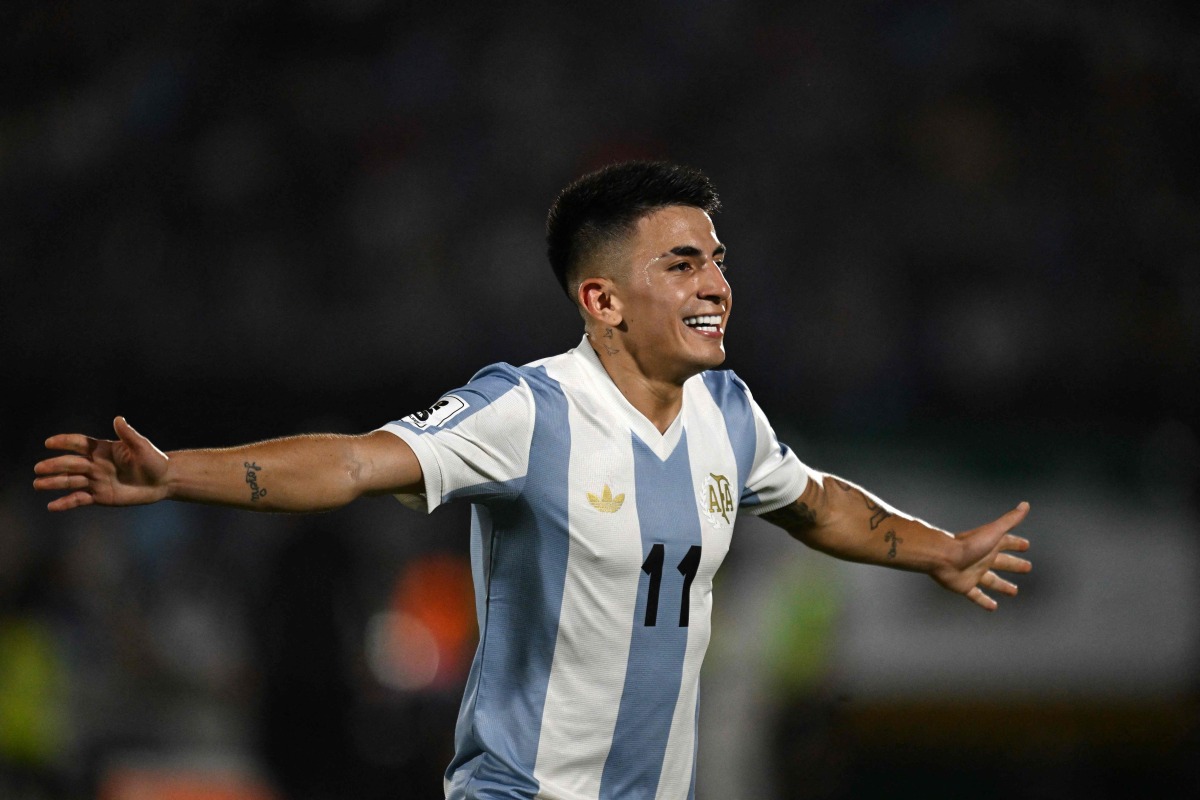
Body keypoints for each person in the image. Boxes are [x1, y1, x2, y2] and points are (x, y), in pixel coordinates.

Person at [33, 161, 1032, 800]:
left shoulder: (731, 412)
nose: (716, 284)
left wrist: (942, 548)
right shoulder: (528, 410)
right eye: (682, 264)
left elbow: (819, 503)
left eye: (717, 260)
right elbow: (350, 459)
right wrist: (179, 475)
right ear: (601, 298)